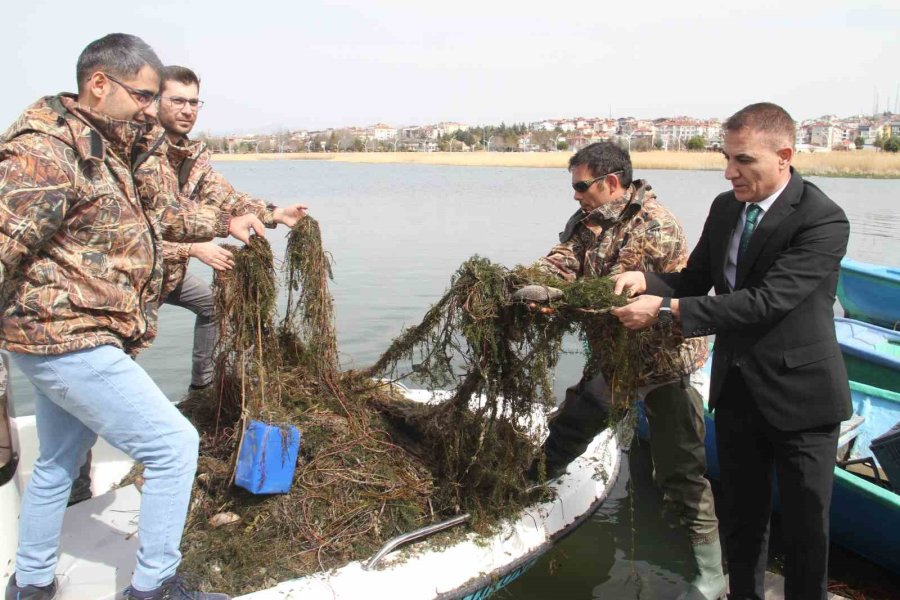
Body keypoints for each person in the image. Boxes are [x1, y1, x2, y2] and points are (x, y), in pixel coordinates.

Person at [0, 33, 266, 600]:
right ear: (99, 85)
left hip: (73, 334)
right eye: (143, 97)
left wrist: (229, 222)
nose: (151, 110)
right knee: (174, 446)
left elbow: (162, 212)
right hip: (66, 335)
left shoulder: (107, 146)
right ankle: (154, 588)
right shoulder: (44, 153)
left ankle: (32, 582)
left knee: (57, 461)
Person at [611, 102, 851, 600]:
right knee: (743, 519)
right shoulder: (726, 208)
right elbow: (698, 279)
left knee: (808, 529)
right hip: (738, 390)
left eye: (743, 160)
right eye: (726, 158)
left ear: (783, 155)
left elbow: (767, 302)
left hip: (802, 399)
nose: (729, 172)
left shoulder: (822, 219)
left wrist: (664, 311)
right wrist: (647, 279)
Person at [517, 142, 725, 600]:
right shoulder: (589, 221)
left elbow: (616, 292)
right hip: (613, 359)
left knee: (682, 473)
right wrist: (538, 283)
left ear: (611, 183)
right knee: (570, 426)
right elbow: (564, 260)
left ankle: (711, 576)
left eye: (581, 186)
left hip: (662, 365)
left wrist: (564, 300)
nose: (575, 195)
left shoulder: (656, 225)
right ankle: (525, 489)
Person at [155, 65, 307, 392]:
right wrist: (191, 249)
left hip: (166, 274)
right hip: (130, 281)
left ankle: (202, 389)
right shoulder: (139, 154)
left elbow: (227, 198)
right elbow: (131, 231)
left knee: (210, 305)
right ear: (154, 100)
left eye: (194, 102)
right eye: (177, 100)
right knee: (118, 359)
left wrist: (276, 213)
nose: (187, 110)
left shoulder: (190, 156)